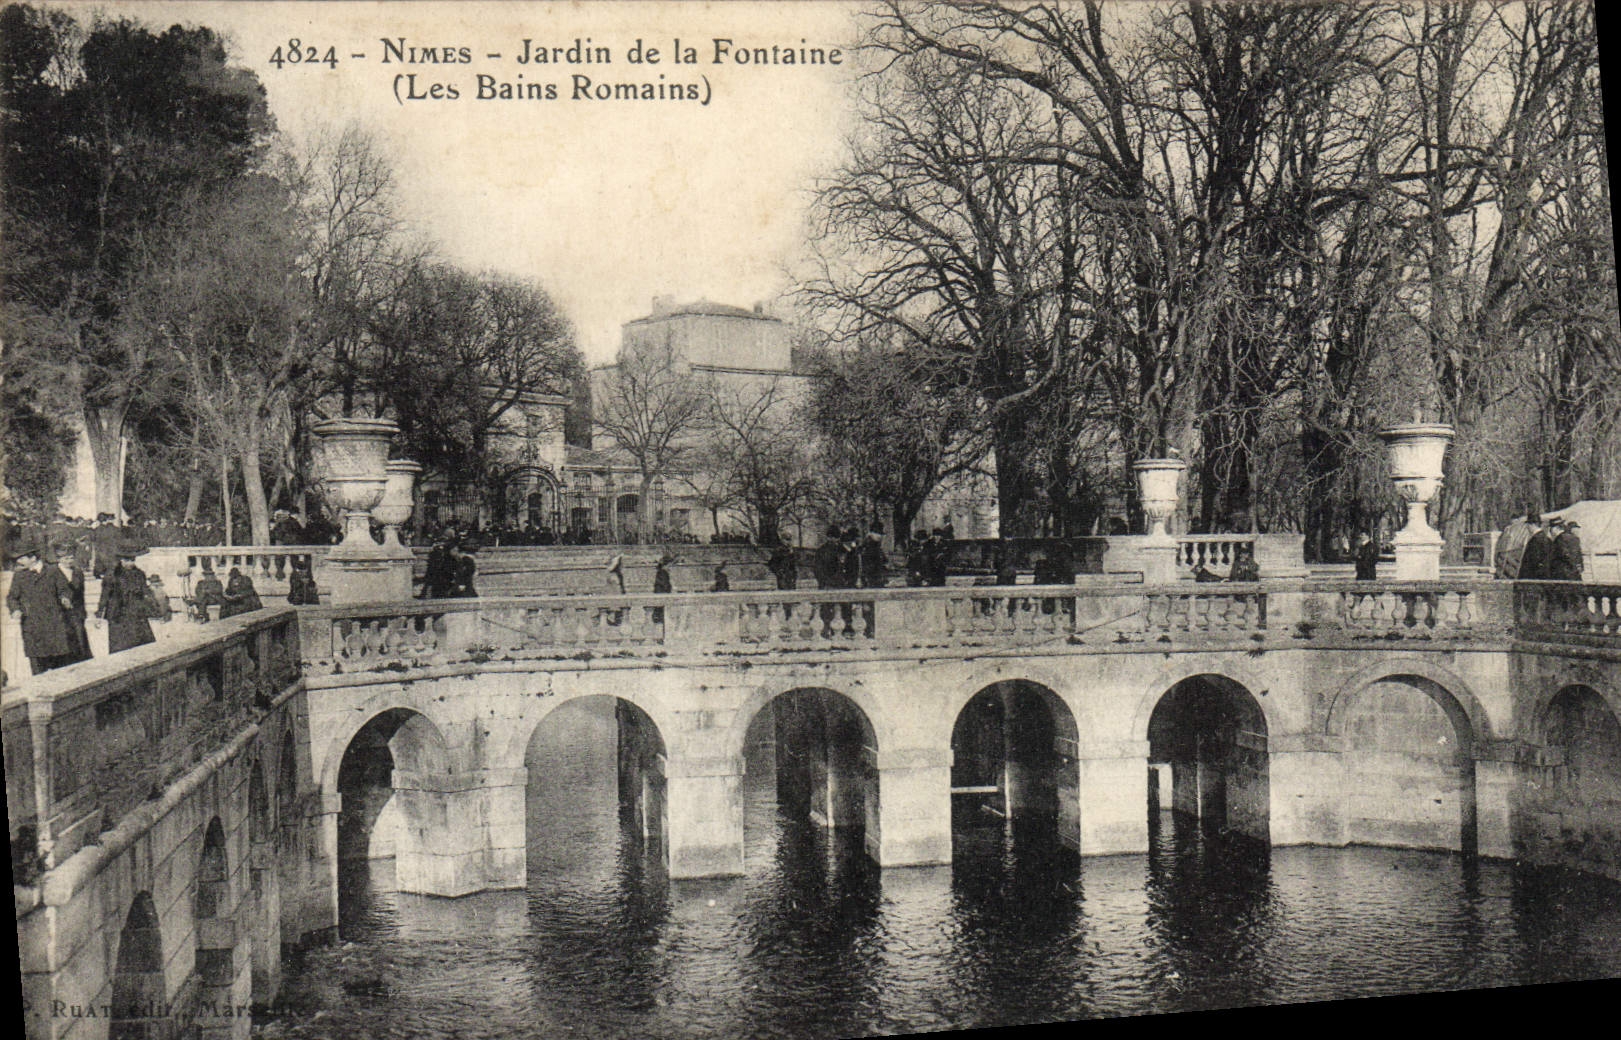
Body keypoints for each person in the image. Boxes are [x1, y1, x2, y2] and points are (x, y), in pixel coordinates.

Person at [6, 540, 78, 675]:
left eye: (22, 558)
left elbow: (65, 589)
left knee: (61, 669)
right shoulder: (19, 576)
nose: (18, 561)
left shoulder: (53, 571)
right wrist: (15, 609)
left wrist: (65, 598)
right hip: (32, 628)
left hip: (54, 627)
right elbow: (12, 597)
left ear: (33, 558)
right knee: (38, 671)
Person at [97, 541, 157, 653]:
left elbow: (145, 591)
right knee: (121, 645)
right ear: (121, 560)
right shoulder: (112, 575)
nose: (130, 563)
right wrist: (99, 613)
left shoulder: (139, 574)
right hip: (118, 614)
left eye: (132, 560)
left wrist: (150, 602)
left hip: (136, 612)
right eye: (127, 560)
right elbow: (105, 595)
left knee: (141, 644)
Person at [1494, 510, 1537, 580]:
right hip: (1507, 558)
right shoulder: (1508, 529)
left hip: (1511, 557)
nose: (1514, 523)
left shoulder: (1519, 530)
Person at [1520, 517, 1556, 581]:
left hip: (1533, 577)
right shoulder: (1547, 539)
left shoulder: (1535, 540)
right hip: (1544, 577)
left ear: (1532, 525)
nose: (1527, 528)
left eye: (1528, 525)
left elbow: (1532, 561)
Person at [860, 523, 887, 588]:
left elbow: (864, 544)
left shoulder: (869, 535)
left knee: (870, 568)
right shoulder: (880, 536)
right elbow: (880, 546)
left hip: (870, 553)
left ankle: (870, 581)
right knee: (877, 568)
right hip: (876, 553)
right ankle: (877, 581)